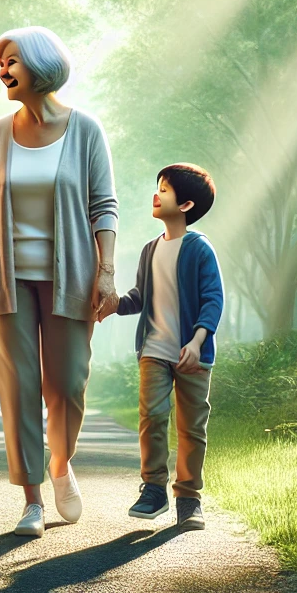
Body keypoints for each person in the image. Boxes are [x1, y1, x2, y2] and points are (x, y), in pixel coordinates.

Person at [0, 26, 118, 537]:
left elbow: (103, 206)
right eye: (0, 62)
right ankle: (31, 500)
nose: (2, 70)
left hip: (72, 279)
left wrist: (106, 271)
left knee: (66, 385)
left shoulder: (85, 130)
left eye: (12, 61)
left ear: (41, 66)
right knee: (19, 388)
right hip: (7, 279)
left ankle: (60, 462)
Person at [99, 163, 224, 530]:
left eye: (165, 190)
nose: (156, 195)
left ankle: (188, 497)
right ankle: (154, 489)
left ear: (185, 205)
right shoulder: (150, 249)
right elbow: (141, 296)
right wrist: (115, 305)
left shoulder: (200, 249)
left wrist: (197, 341)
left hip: (193, 353)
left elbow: (213, 299)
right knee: (152, 416)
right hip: (154, 349)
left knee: (191, 427)